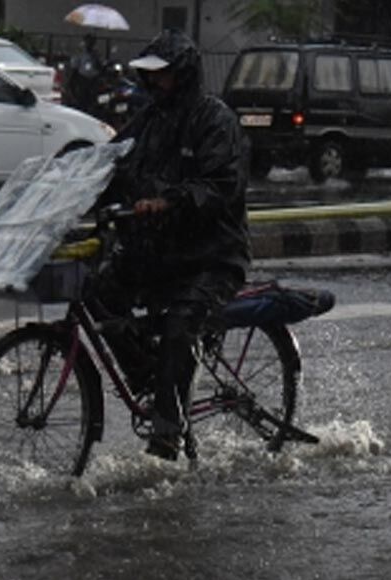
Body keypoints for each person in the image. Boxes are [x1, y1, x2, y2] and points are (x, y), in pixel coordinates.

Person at [91, 29, 251, 461]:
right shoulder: (148, 120)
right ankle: (150, 373)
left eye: (161, 77)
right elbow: (113, 162)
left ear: (182, 75)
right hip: (157, 253)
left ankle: (167, 431)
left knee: (181, 324)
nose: (154, 85)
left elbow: (219, 187)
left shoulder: (214, 120)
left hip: (210, 258)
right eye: (150, 78)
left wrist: (168, 201)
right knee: (96, 296)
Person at [66, 32, 104, 116]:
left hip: (94, 79)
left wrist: (96, 58)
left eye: (92, 41)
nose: (90, 43)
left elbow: (100, 66)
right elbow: (75, 67)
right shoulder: (80, 52)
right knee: (82, 99)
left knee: (93, 99)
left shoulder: (96, 53)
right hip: (83, 78)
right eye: (88, 41)